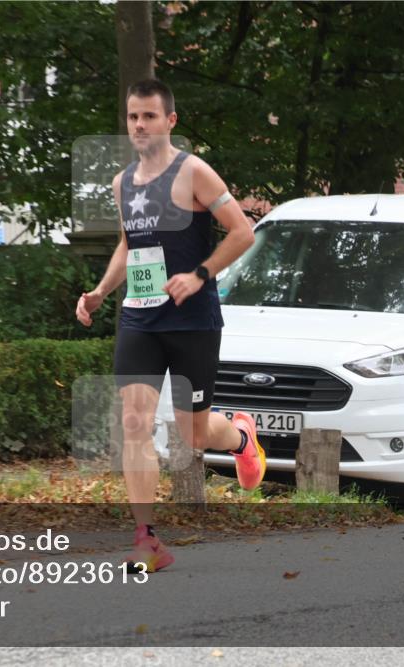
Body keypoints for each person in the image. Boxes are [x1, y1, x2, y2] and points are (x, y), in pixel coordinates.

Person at [75, 78, 265, 573]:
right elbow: (128, 245)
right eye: (133, 116)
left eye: (149, 117)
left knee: (194, 435)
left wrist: (200, 275)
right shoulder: (122, 183)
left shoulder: (193, 172)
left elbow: (243, 231)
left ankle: (241, 435)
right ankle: (146, 539)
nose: (139, 125)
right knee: (134, 422)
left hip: (192, 322)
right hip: (140, 319)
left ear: (170, 121)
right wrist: (100, 292)